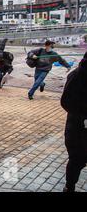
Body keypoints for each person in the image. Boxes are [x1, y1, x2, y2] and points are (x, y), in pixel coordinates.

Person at [61, 52, 87, 192]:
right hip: (77, 127)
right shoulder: (76, 76)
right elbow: (66, 102)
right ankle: (69, 187)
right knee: (76, 160)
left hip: (76, 126)